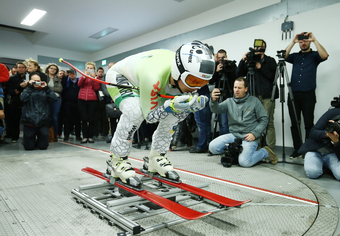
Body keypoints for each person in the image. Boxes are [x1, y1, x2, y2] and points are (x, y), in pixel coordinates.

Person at [106, 41, 215, 187]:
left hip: (148, 79)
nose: (196, 87)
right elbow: (150, 117)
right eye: (193, 80)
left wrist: (188, 108)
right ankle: (117, 161)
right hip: (122, 77)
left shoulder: (183, 77)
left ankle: (156, 158)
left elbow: (176, 114)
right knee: (135, 112)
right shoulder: (154, 76)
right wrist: (169, 106)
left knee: (176, 113)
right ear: (178, 72)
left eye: (203, 82)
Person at [209, 77, 278, 167]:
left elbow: (264, 119)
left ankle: (265, 152)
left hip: (249, 137)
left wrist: (254, 134)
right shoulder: (229, 101)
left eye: (239, 88)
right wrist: (213, 101)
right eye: (235, 87)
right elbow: (216, 109)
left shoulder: (254, 101)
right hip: (234, 136)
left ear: (246, 89)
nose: (236, 90)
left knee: (244, 162)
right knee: (212, 147)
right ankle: (238, 153)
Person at [285, 32, 329, 159]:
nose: (303, 43)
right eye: (301, 42)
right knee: (295, 123)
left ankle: (308, 149)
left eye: (305, 41)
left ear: (309, 42)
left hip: (308, 94)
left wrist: (315, 40)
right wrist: (293, 41)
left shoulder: (315, 55)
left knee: (309, 123)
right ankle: (298, 149)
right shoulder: (295, 57)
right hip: (294, 94)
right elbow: (284, 55)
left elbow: (325, 55)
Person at [236, 39, 278, 150]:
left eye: (261, 47)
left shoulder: (270, 61)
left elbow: (275, 76)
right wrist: (242, 60)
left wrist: (261, 67)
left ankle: (270, 150)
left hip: (267, 96)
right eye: (256, 47)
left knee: (268, 122)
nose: (258, 49)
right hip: (253, 97)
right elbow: (238, 74)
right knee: (253, 123)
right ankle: (255, 147)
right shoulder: (250, 61)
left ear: (264, 48)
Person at [298, 108, 340, 181]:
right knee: (312, 173)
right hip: (315, 150)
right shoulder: (333, 113)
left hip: (334, 154)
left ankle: (326, 166)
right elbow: (313, 132)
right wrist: (326, 134)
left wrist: (336, 142)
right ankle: (323, 166)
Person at [20, 72, 58, 150]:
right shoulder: (27, 90)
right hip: (29, 120)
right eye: (34, 80)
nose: (36, 82)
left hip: (43, 120)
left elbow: (55, 99)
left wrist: (47, 88)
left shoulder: (45, 90)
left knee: (43, 147)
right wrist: (29, 87)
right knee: (28, 147)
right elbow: (22, 98)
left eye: (38, 80)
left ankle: (38, 142)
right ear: (30, 81)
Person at [210, 49, 237, 137]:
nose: (221, 60)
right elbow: (211, 81)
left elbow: (236, 77)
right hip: (220, 97)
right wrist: (216, 72)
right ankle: (223, 142)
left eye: (223, 57)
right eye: (219, 58)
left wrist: (228, 66)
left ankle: (231, 143)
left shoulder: (231, 65)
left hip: (230, 97)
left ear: (226, 57)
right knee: (223, 122)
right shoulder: (215, 67)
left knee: (231, 122)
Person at [78, 62, 101, 143]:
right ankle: (84, 136)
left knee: (91, 119)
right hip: (82, 100)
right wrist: (84, 76)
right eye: (88, 67)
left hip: (92, 100)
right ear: (86, 69)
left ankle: (90, 136)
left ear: (94, 69)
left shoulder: (97, 78)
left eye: (91, 68)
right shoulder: (82, 76)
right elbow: (79, 84)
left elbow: (97, 88)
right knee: (84, 119)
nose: (89, 69)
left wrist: (93, 78)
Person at [5, 62, 27, 143]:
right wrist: (19, 88)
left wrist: (18, 90)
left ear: (25, 68)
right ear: (17, 68)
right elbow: (10, 91)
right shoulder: (12, 79)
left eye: (22, 67)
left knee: (27, 121)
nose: (21, 68)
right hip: (15, 102)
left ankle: (27, 137)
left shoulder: (28, 78)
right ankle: (14, 137)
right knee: (15, 121)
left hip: (26, 102)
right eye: (19, 67)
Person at [61, 69, 81, 141]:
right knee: (67, 120)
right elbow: (62, 84)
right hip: (67, 103)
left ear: (75, 74)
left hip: (77, 103)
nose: (71, 75)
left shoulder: (79, 82)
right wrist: (65, 76)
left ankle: (78, 135)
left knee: (77, 120)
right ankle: (66, 135)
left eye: (73, 73)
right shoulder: (66, 82)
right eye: (70, 74)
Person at [45, 63, 63, 141]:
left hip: (56, 99)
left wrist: (48, 88)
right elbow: (43, 88)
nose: (53, 70)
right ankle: (45, 135)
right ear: (48, 69)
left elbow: (60, 89)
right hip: (45, 99)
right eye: (51, 68)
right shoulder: (44, 77)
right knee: (45, 117)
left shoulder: (58, 78)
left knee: (55, 118)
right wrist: (52, 88)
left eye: (54, 69)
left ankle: (54, 135)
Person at [93, 67, 109, 141]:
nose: (101, 73)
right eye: (99, 71)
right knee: (96, 118)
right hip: (96, 101)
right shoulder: (94, 79)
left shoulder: (106, 79)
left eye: (102, 72)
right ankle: (96, 133)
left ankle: (105, 134)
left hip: (105, 101)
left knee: (105, 118)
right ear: (97, 72)